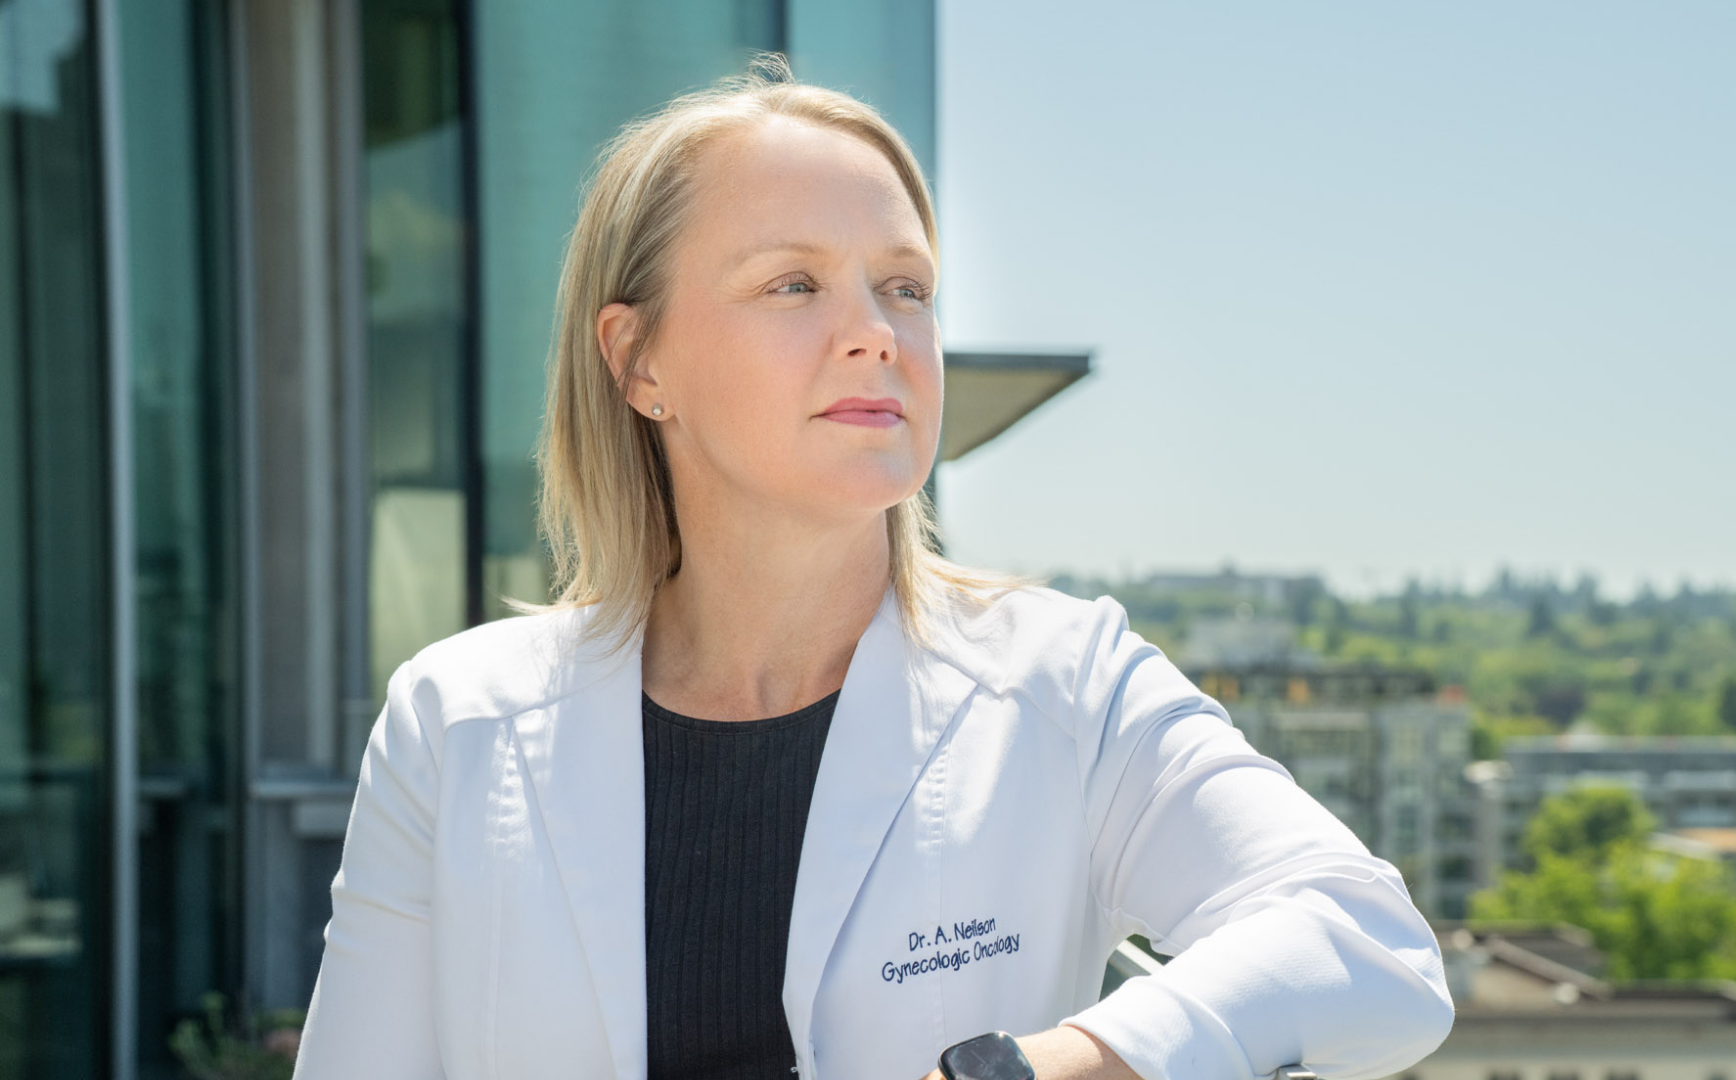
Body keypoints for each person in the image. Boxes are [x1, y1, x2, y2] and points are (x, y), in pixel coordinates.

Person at [290, 53, 1453, 1080]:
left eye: (905, 288)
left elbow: (1362, 939)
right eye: (793, 284)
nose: (876, 332)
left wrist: (1060, 1065)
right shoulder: (455, 724)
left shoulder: (1066, 686)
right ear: (637, 360)